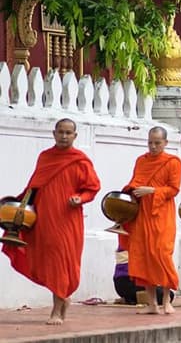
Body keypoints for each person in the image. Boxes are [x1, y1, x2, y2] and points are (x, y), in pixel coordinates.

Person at [2, 118, 101, 325]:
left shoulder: (80, 160)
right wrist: (17, 205)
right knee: (45, 260)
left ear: (75, 136)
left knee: (61, 261)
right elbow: (34, 185)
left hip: (67, 219)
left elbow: (92, 188)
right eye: (61, 132)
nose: (64, 136)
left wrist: (79, 199)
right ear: (54, 133)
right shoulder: (45, 157)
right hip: (44, 218)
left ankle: (57, 309)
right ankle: (63, 298)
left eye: (68, 133)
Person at [124, 126, 181, 314]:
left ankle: (166, 301)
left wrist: (152, 190)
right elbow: (135, 181)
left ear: (165, 143)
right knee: (144, 256)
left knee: (162, 254)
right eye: (150, 142)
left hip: (162, 213)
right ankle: (152, 303)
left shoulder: (173, 162)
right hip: (142, 213)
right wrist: (130, 189)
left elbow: (173, 189)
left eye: (157, 143)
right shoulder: (141, 161)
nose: (153, 146)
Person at [113, 233, 174, 305]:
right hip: (128, 281)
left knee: (165, 293)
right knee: (166, 295)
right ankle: (136, 298)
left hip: (122, 283)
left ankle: (132, 298)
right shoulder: (139, 235)